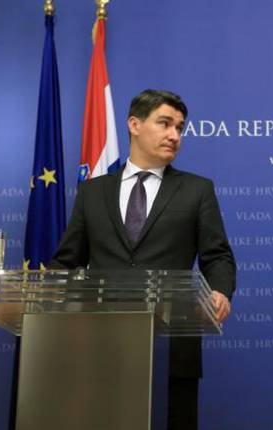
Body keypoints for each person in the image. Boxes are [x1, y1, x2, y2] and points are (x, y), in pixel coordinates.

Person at [50, 89, 236, 429]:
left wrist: (220, 291)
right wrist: (41, 295)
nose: (174, 135)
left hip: (172, 347)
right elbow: (67, 261)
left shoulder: (197, 190)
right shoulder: (92, 192)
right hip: (100, 347)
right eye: (164, 123)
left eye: (179, 127)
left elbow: (218, 256)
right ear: (134, 125)